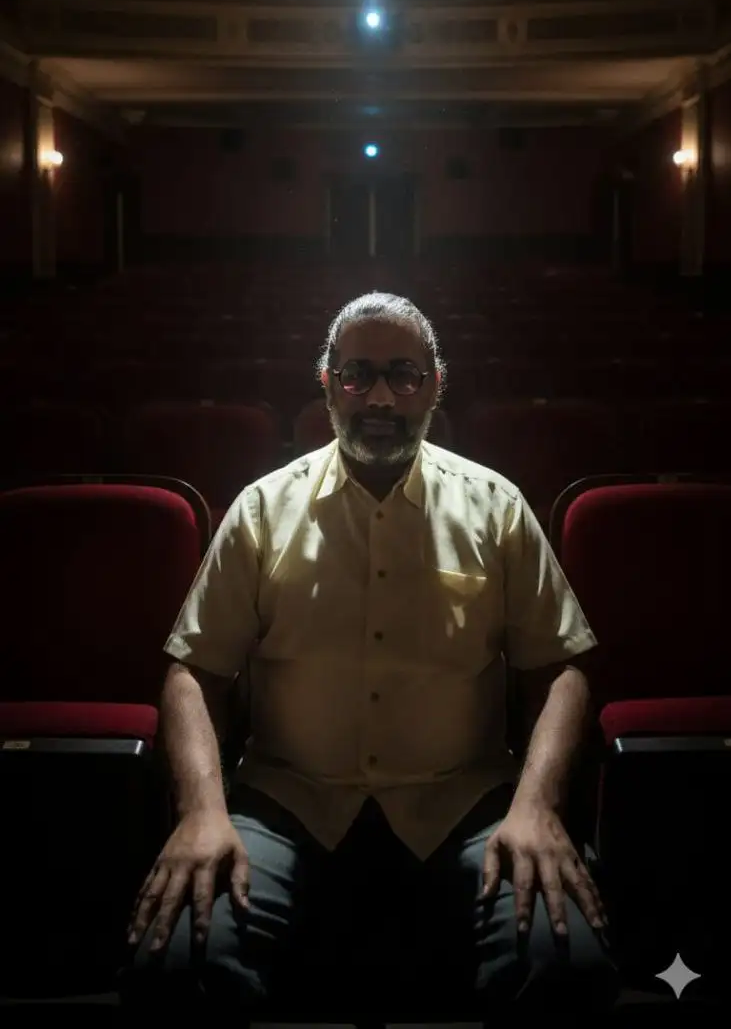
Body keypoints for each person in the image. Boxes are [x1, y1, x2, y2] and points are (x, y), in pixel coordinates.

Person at [121, 292, 618, 1015]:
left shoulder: (495, 506)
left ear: (435, 385)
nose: (380, 397)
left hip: (462, 801)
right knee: (176, 963)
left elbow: (559, 668)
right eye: (357, 375)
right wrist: (201, 811)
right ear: (327, 384)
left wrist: (538, 805)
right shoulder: (262, 509)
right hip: (291, 800)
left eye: (403, 374)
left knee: (564, 962)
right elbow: (194, 670)